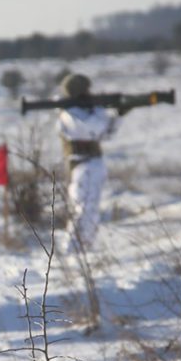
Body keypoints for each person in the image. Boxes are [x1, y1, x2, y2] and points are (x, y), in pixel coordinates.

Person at [55, 72, 127, 252]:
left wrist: (119, 115)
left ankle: (85, 248)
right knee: (81, 210)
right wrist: (100, 110)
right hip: (81, 166)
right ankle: (71, 251)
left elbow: (106, 133)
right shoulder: (70, 113)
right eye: (86, 90)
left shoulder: (87, 110)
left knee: (91, 210)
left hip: (93, 163)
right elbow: (94, 129)